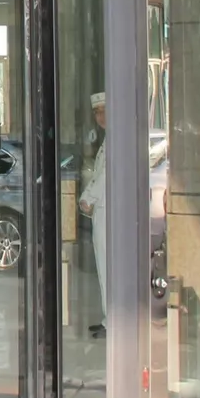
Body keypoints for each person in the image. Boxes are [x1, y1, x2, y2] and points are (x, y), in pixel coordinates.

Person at [78, 92, 108, 337]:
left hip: (108, 211)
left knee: (109, 268)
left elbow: (105, 177)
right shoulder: (108, 139)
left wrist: (87, 197)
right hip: (103, 210)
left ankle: (112, 321)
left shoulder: (116, 140)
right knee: (104, 267)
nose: (100, 116)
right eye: (97, 112)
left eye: (104, 111)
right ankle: (109, 318)